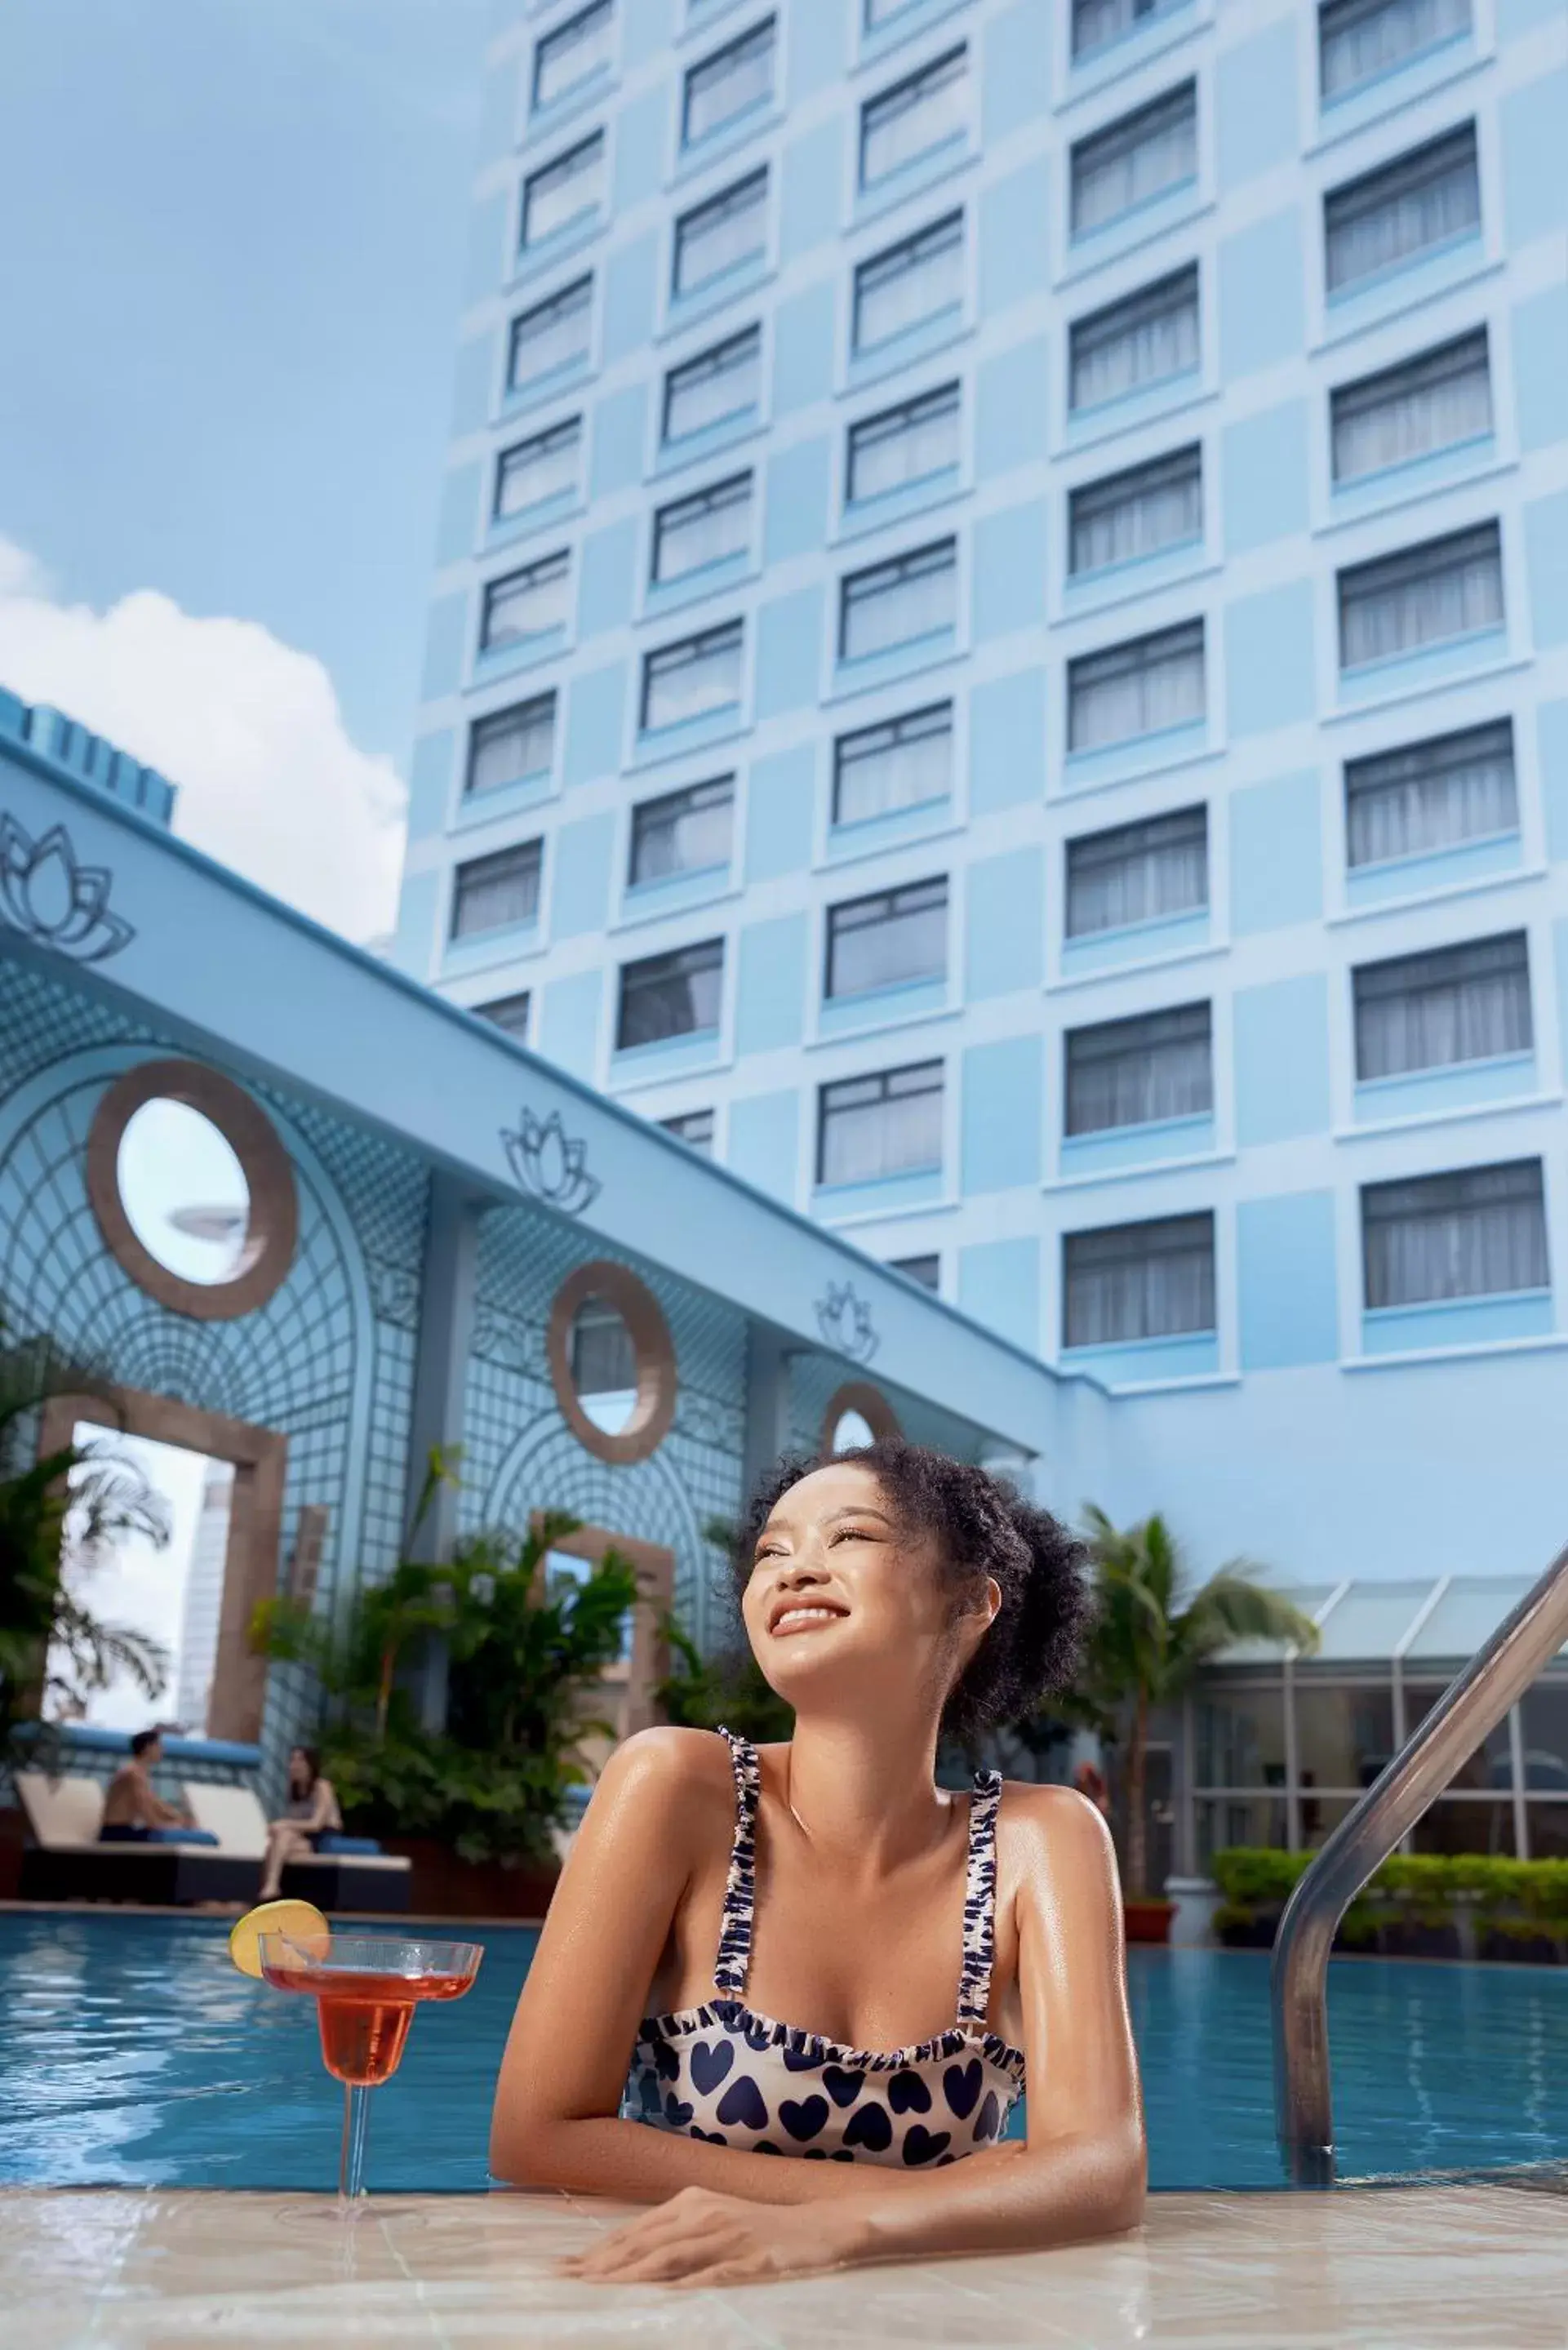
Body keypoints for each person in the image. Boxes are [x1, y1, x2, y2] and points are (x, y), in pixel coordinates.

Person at [490, 1438, 1145, 2287]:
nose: (793, 1569)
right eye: (771, 1550)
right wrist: (904, 2197)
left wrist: (840, 2227)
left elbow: (1103, 2170)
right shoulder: (676, 1787)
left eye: (850, 1536)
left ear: (972, 1601)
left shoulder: (1041, 1838)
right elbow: (535, 2134)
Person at [258, 1745, 344, 1900]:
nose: (294, 1765)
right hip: (304, 1837)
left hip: (323, 1836)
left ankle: (271, 1886)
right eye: (292, 1760)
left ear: (310, 1765)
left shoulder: (322, 1786)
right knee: (277, 1843)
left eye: (300, 1760)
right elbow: (297, 1823)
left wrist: (283, 1824)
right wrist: (281, 1828)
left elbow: (316, 1824)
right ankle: (272, 1888)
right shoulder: (296, 1790)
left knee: (280, 1841)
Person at [100, 1728, 195, 1841]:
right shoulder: (133, 1773)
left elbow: (155, 1803)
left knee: (179, 1827)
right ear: (148, 1748)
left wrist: (179, 1818)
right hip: (115, 1832)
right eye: (158, 1746)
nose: (162, 1750)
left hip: (121, 1830)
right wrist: (164, 1826)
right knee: (171, 1833)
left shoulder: (140, 1773)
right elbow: (144, 1807)